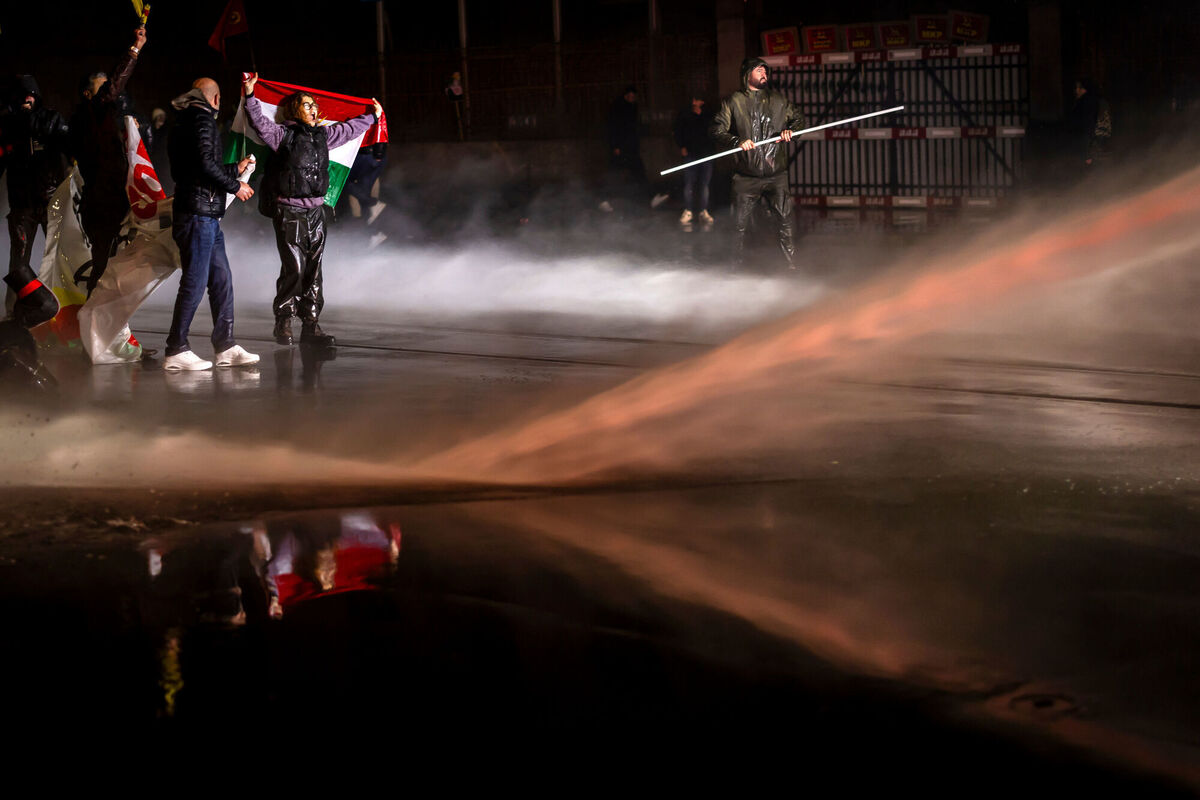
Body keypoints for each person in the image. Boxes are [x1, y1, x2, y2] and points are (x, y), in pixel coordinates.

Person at [242, 73, 381, 346]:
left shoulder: (323, 136)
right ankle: (283, 321)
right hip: (289, 211)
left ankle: (311, 326)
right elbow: (259, 123)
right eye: (307, 105)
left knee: (314, 270)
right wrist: (249, 96)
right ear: (295, 110)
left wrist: (373, 117)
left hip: (317, 212)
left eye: (314, 105)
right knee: (294, 266)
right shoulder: (283, 135)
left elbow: (349, 129)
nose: (313, 108)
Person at [163, 78, 257, 371]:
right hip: (198, 214)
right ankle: (176, 348)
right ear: (215, 99)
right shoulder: (202, 121)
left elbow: (194, 168)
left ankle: (225, 346)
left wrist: (234, 168)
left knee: (220, 279)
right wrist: (235, 184)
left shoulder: (183, 121)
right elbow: (204, 165)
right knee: (195, 280)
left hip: (203, 213)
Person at [70, 25, 147, 296]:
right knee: (104, 262)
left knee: (110, 261)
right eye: (102, 91)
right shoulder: (89, 115)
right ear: (88, 95)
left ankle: (100, 318)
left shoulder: (98, 120)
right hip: (103, 201)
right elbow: (115, 85)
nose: (109, 95)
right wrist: (134, 51)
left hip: (109, 197)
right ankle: (95, 321)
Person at [709, 57, 805, 269]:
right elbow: (717, 129)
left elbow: (799, 120)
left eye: (765, 70)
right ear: (747, 74)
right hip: (745, 175)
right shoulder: (734, 101)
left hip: (776, 174)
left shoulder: (779, 100)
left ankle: (791, 266)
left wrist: (792, 131)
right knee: (738, 225)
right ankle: (734, 267)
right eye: (759, 70)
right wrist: (736, 141)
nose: (764, 73)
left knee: (785, 221)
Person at [0, 75, 70, 326]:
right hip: (22, 206)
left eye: (31, 95)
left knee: (63, 257)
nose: (27, 99)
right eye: (22, 95)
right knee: (18, 261)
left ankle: (65, 312)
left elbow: (69, 148)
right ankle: (14, 314)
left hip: (51, 201)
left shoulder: (51, 119)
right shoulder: (7, 125)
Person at [673, 93, 715, 228]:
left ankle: (703, 211)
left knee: (704, 184)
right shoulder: (685, 114)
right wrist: (682, 146)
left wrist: (711, 150)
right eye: (695, 100)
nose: (697, 102)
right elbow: (678, 131)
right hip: (690, 154)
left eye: (700, 100)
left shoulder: (708, 115)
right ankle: (689, 210)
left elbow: (714, 132)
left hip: (706, 154)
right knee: (689, 184)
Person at [1069, 77, 1111, 170]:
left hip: (1094, 143)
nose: (1076, 90)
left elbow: (1088, 125)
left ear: (1085, 89)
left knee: (1091, 173)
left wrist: (1087, 153)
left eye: (1079, 88)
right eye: (1076, 88)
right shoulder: (1097, 100)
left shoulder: (1087, 102)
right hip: (1101, 141)